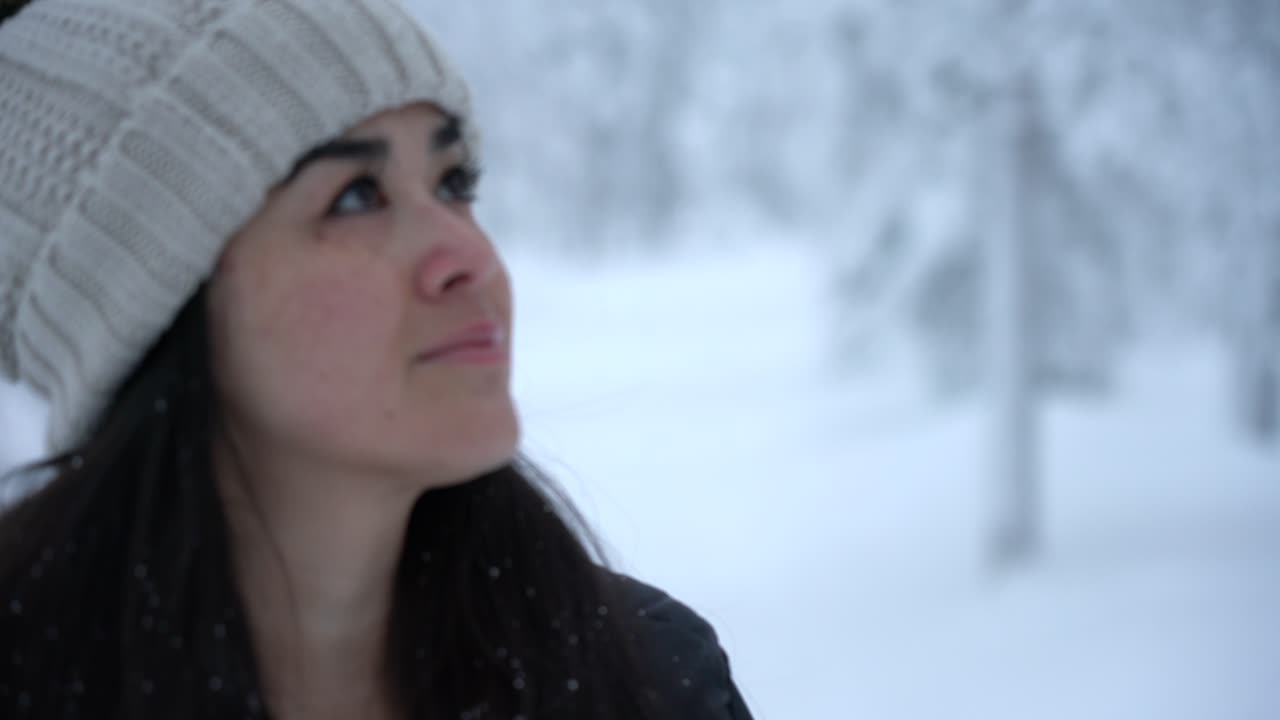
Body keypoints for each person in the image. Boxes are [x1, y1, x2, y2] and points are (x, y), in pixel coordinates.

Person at [0, 1, 754, 718]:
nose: (470, 255)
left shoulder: (647, 678)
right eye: (357, 197)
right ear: (146, 305)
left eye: (453, 184)